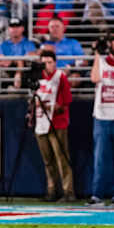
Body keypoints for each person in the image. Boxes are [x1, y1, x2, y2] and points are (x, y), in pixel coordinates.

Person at [32, 48, 75, 202]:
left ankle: (68, 191)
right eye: (44, 63)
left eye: (49, 62)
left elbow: (66, 101)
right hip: (40, 121)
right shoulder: (37, 78)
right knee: (47, 160)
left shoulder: (60, 76)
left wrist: (52, 106)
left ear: (55, 63)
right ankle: (51, 190)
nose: (47, 66)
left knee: (61, 158)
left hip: (57, 122)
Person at [89, 32, 114, 206]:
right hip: (101, 117)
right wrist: (97, 53)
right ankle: (97, 194)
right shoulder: (101, 62)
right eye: (110, 41)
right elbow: (95, 78)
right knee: (100, 159)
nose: (111, 44)